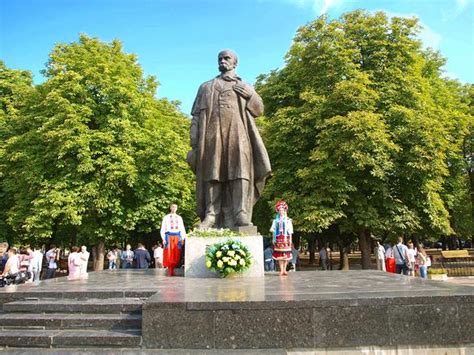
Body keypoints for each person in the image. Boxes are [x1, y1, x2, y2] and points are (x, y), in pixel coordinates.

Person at [188, 50, 272, 229]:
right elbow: (195, 117)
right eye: (220, 58)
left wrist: (251, 95)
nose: (222, 61)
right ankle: (211, 214)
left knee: (240, 172)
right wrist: (194, 143)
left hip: (238, 134)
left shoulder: (244, 86)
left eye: (227, 58)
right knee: (213, 173)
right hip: (212, 135)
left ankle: (241, 213)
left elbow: (259, 110)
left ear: (235, 63)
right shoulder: (206, 87)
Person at [161, 204, 186, 276]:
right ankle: (170, 269)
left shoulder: (179, 218)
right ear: (170, 208)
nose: (174, 208)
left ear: (177, 208)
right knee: (169, 252)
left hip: (177, 236)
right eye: (173, 207)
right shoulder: (166, 217)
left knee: (176, 252)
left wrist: (183, 237)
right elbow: (163, 228)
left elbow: (182, 228)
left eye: (175, 207)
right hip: (168, 235)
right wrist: (163, 238)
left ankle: (173, 267)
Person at [270, 200, 293, 276]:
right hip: (278, 238)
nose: (281, 212)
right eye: (280, 210)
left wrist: (290, 240)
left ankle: (285, 269)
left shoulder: (288, 220)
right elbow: (272, 230)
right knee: (279, 255)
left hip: (286, 238)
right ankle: (281, 270)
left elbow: (290, 231)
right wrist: (273, 239)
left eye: (282, 210)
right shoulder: (275, 220)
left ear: (284, 211)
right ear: (278, 211)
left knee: (286, 255)